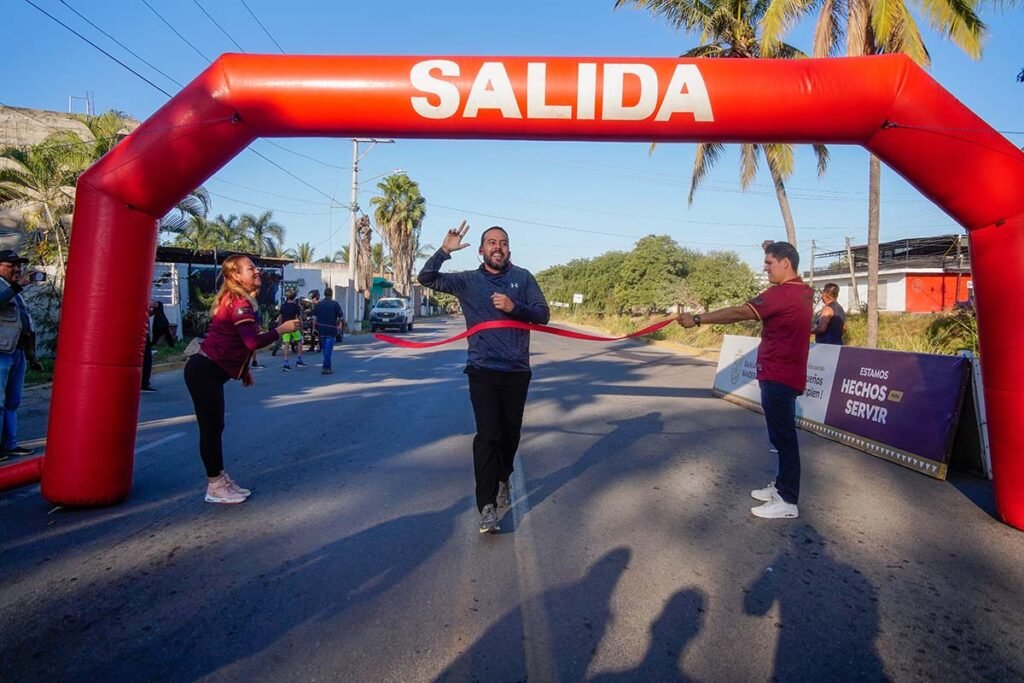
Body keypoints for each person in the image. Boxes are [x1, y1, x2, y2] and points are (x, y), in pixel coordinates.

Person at [418, 221, 550, 534]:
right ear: (481, 251)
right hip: (482, 369)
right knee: (488, 435)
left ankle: (504, 476)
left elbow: (543, 314)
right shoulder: (467, 282)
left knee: (510, 434)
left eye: (502, 242)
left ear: (508, 250)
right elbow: (426, 278)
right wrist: (443, 252)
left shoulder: (523, 278)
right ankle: (487, 506)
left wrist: (514, 306)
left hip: (517, 369)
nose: (497, 247)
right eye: (491, 242)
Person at [677, 240, 813, 519]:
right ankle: (781, 486)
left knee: (784, 439)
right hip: (784, 372)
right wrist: (770, 245)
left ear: (785, 263)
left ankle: (787, 501)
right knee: (779, 437)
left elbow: (740, 312)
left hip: (779, 374)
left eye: (769, 263)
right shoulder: (802, 291)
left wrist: (698, 319)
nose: (765, 269)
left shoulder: (783, 293)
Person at [183, 255, 300, 504]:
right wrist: (281, 330)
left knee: (216, 428)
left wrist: (243, 370)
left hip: (206, 370)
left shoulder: (239, 301)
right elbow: (252, 342)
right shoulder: (239, 304)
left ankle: (220, 479)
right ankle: (214, 486)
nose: (256, 272)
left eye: (255, 268)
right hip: (204, 371)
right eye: (251, 269)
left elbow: (236, 343)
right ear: (235, 276)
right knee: (211, 430)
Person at [0, 250, 44, 461]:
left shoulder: (14, 291)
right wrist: (18, 286)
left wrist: (31, 355)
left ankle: (10, 445)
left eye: (19, 265)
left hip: (17, 353)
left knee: (12, 402)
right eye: (11, 265)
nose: (17, 269)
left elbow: (26, 325)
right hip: (1, 353)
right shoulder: (7, 288)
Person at [312, 287, 344, 375]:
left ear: (324, 294)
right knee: (328, 350)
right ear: (331, 294)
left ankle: (327, 366)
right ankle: (326, 367)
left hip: (321, 330)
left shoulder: (319, 305)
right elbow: (341, 317)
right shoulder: (335, 304)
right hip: (331, 330)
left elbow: (314, 318)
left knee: (325, 349)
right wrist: (340, 325)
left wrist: (314, 328)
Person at [277, 289, 306, 371]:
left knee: (286, 343)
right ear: (294, 297)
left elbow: (280, 317)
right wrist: (301, 327)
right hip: (293, 326)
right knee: (299, 341)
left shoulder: (283, 306)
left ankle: (286, 362)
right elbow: (299, 318)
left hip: (285, 326)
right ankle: (299, 360)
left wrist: (279, 326)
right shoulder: (296, 306)